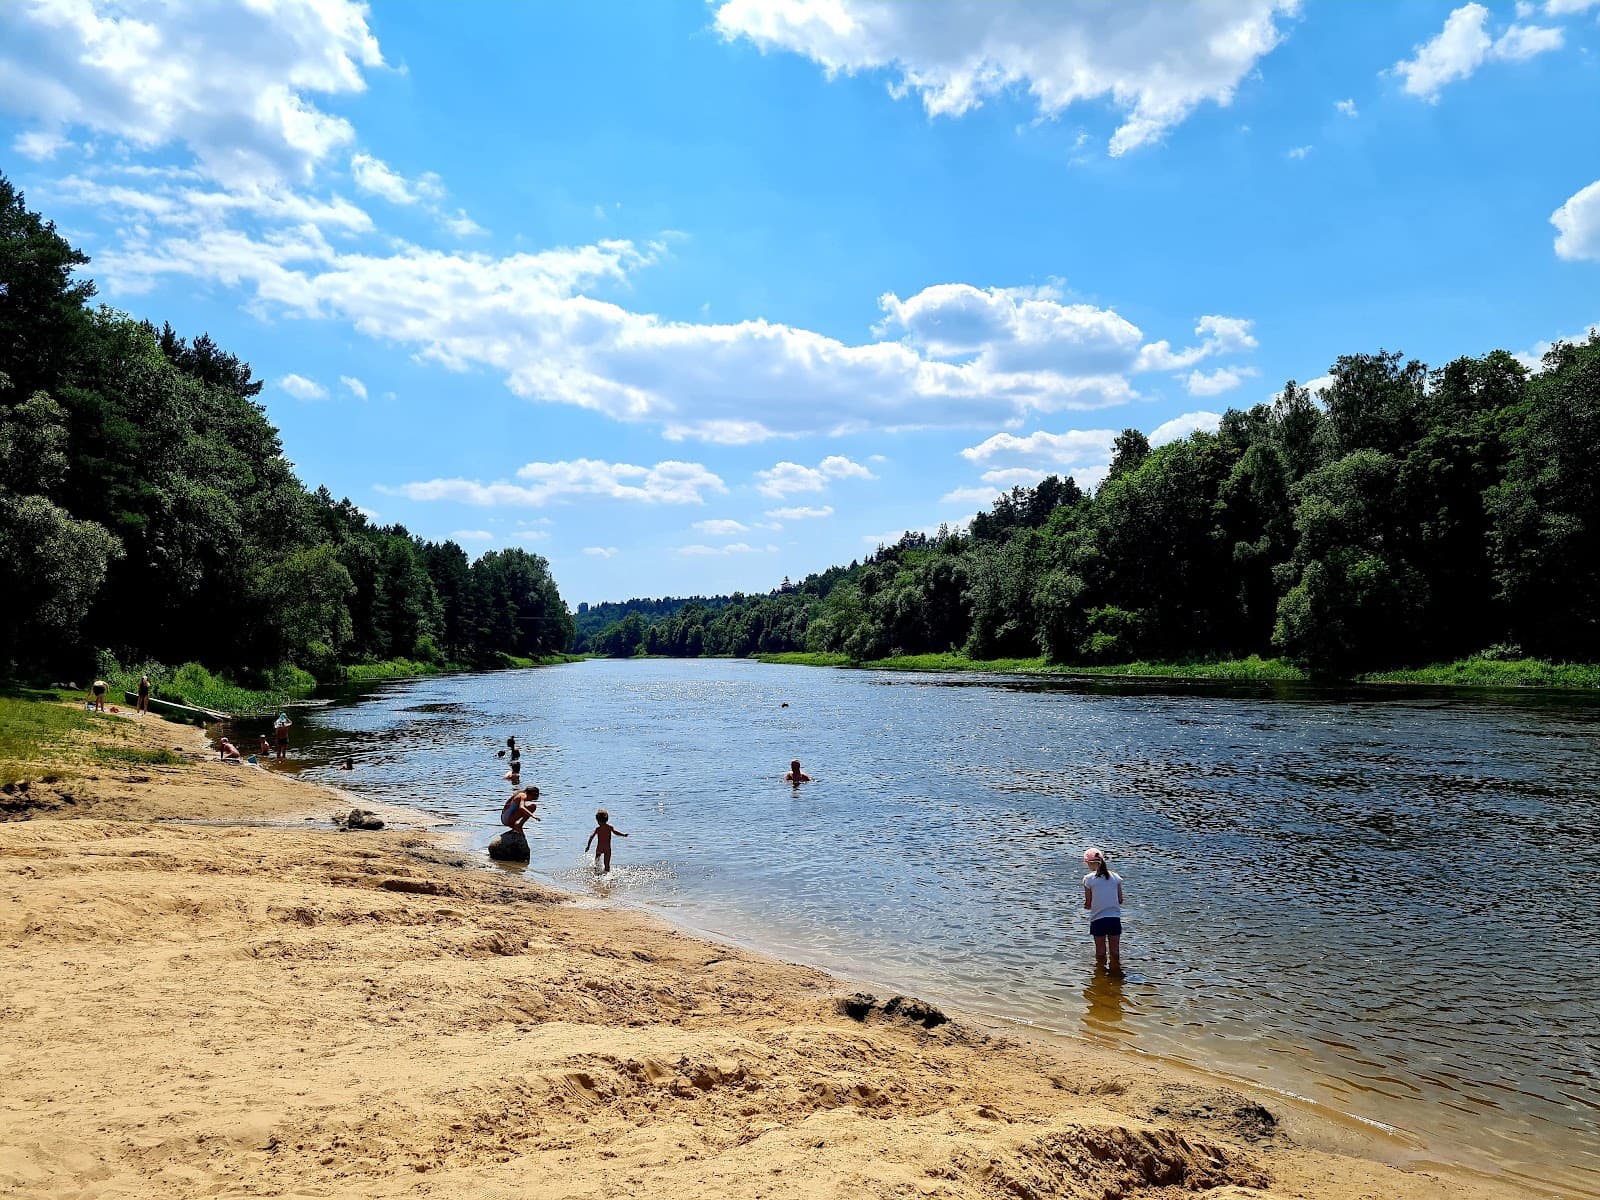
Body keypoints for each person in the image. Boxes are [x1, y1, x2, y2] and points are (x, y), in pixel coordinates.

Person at [1082, 847, 1124, 973]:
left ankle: (1100, 977)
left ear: (1090, 863)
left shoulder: (1088, 879)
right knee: (1115, 952)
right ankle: (1116, 974)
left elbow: (1088, 902)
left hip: (1098, 920)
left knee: (1100, 953)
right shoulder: (1115, 877)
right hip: (1114, 919)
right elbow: (1120, 899)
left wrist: (1087, 906)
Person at [585, 809, 627, 873]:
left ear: (597, 820)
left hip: (599, 848)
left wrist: (588, 846)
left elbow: (591, 836)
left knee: (596, 861)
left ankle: (597, 873)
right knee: (607, 864)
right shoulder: (609, 827)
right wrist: (623, 835)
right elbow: (615, 832)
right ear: (607, 819)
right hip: (607, 848)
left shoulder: (598, 829)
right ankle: (607, 876)